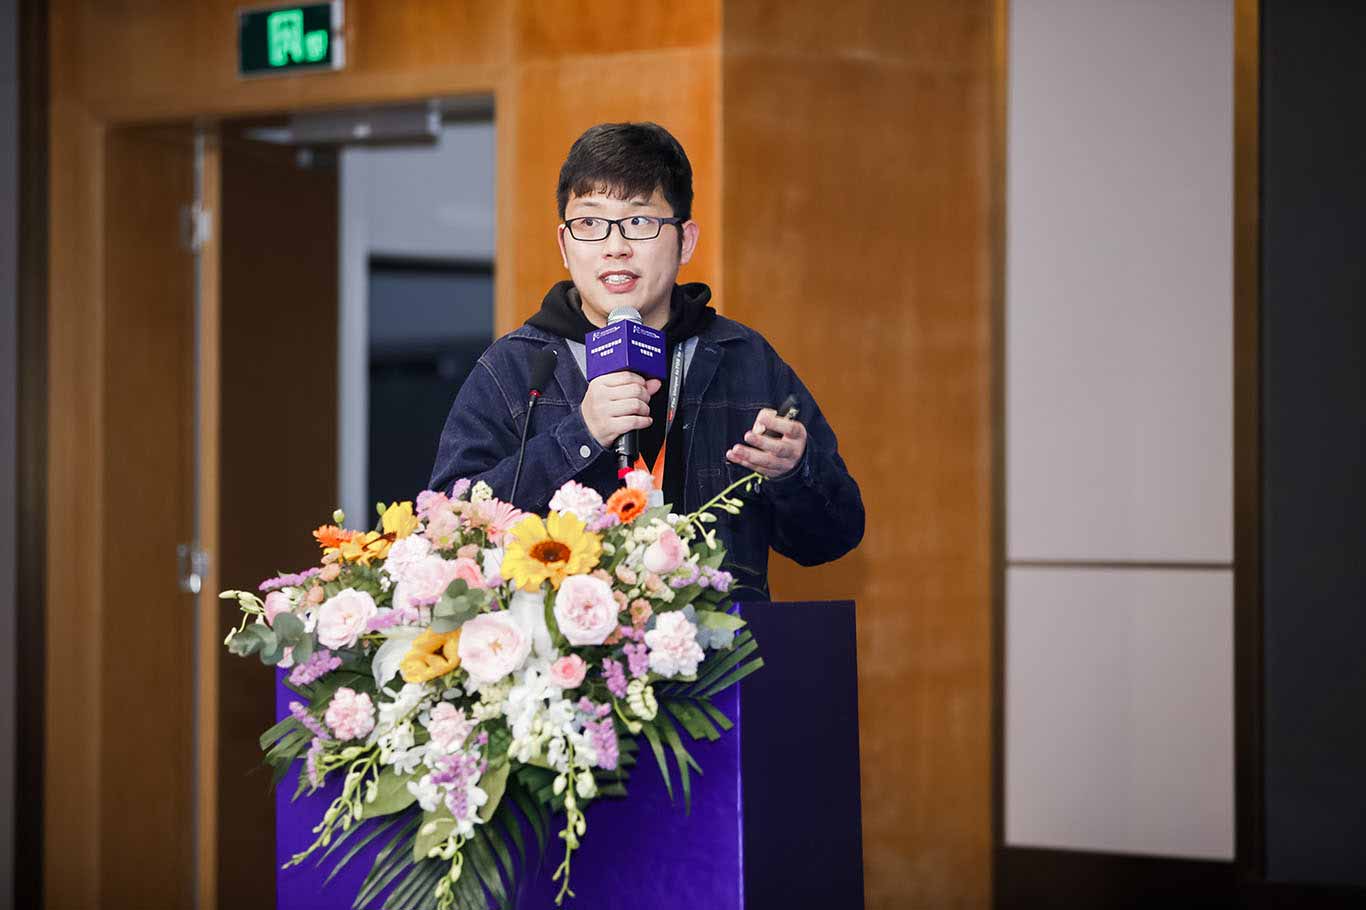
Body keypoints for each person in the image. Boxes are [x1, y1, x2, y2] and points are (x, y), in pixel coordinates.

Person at [430, 122, 863, 599]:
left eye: (639, 222)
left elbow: (834, 536)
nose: (615, 247)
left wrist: (795, 471)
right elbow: (448, 532)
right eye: (590, 223)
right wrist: (581, 434)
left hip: (722, 644)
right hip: (563, 645)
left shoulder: (744, 360)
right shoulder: (517, 368)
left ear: (685, 241)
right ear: (564, 245)